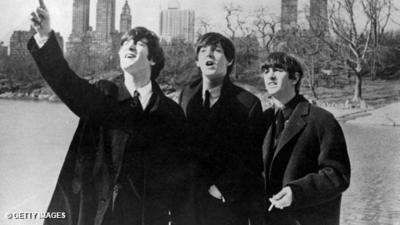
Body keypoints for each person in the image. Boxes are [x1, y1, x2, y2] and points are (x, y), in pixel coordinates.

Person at [28, 1, 189, 225]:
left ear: (153, 59)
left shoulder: (170, 113)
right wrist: (45, 36)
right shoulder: (105, 94)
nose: (130, 45)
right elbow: (67, 83)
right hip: (93, 213)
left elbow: (179, 176)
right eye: (125, 43)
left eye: (139, 43)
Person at [178, 32, 265, 225]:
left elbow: (253, 160)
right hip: (188, 205)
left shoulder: (248, 104)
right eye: (203, 51)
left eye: (217, 51)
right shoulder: (186, 95)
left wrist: (223, 188)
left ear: (230, 60)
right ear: (197, 62)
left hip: (226, 207)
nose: (209, 55)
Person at [261, 52, 351, 225]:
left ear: (295, 78)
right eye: (266, 71)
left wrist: (296, 192)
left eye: (278, 70)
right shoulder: (264, 120)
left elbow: (338, 175)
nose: (270, 76)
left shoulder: (322, 119)